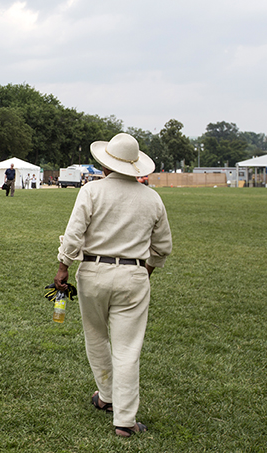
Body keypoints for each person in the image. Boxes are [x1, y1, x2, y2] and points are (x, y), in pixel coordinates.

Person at [53, 133, 172, 438]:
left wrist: (63, 266)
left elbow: (74, 233)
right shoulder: (152, 198)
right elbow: (162, 247)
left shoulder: (91, 191)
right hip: (133, 275)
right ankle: (125, 419)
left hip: (92, 271)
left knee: (95, 337)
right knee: (127, 349)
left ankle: (106, 395)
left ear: (105, 165)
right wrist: (146, 271)